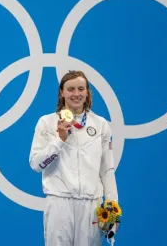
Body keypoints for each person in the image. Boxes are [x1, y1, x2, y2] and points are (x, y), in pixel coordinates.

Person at [29, 70, 119, 246]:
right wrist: (59, 140)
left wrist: (112, 207)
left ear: (87, 92)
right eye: (70, 89)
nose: (76, 94)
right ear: (62, 93)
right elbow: (36, 164)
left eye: (80, 89)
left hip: (91, 206)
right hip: (59, 203)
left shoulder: (100, 125)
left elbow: (107, 169)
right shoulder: (46, 123)